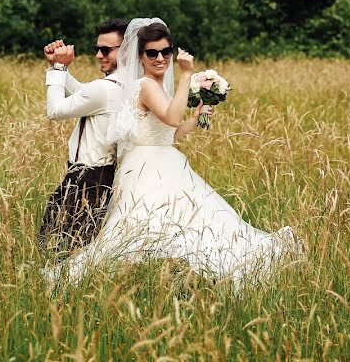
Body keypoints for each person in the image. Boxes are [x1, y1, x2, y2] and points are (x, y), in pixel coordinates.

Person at [43, 18, 304, 287]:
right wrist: (186, 74)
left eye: (165, 52)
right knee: (142, 228)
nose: (160, 58)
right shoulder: (144, 86)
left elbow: (171, 132)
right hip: (145, 168)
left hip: (163, 160)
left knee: (187, 221)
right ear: (140, 57)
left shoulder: (155, 87)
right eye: (152, 53)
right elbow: (170, 117)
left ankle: (184, 273)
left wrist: (197, 116)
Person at [39, 18, 129, 255]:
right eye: (97, 49)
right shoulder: (121, 85)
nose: (99, 55)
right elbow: (82, 93)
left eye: (106, 50)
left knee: (66, 250)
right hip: (93, 177)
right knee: (65, 245)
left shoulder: (105, 89)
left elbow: (55, 111)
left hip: (88, 179)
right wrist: (57, 67)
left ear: (127, 50)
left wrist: (59, 68)